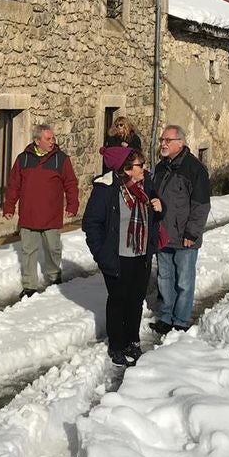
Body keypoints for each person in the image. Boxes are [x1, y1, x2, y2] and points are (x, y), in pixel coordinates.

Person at [83, 146, 163, 367]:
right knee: (118, 302)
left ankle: (133, 342)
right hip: (117, 256)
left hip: (141, 254)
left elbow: (157, 211)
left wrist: (159, 206)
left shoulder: (146, 185)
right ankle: (117, 346)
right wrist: (101, 253)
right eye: (140, 165)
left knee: (136, 300)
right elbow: (91, 223)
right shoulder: (107, 189)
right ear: (127, 169)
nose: (144, 169)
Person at [2, 124, 79, 299]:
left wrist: (72, 205)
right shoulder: (23, 159)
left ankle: (54, 277)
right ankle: (29, 286)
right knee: (28, 251)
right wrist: (9, 207)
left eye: (53, 138)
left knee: (53, 248)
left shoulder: (61, 159)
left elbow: (71, 184)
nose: (52, 142)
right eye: (48, 139)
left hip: (51, 214)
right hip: (29, 214)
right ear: (37, 141)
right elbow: (14, 185)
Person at [150, 125, 210, 335]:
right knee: (165, 278)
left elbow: (201, 205)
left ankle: (181, 320)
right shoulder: (160, 168)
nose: (163, 144)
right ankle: (166, 317)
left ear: (180, 143)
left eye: (168, 140)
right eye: (161, 140)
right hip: (163, 234)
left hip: (185, 236)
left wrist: (192, 233)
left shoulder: (194, 169)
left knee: (184, 280)